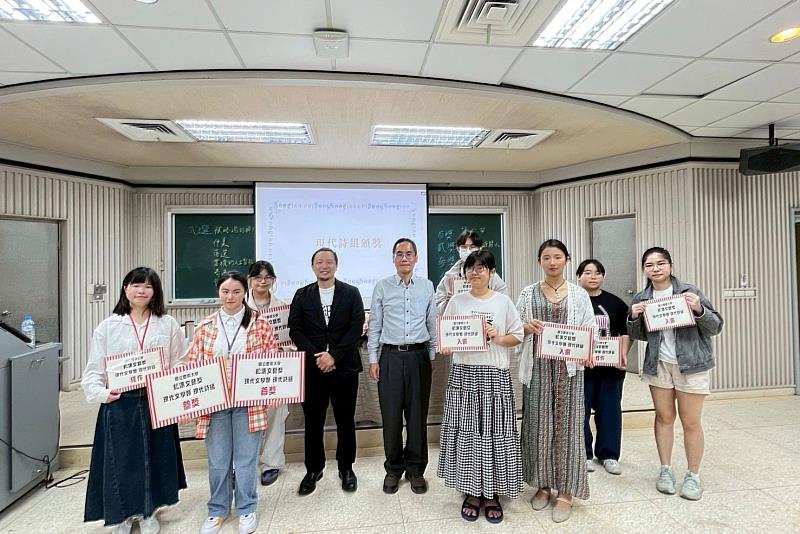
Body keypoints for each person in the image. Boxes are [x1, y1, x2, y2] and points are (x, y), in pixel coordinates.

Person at [82, 267, 187, 534]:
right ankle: (124, 514)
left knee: (156, 457)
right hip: (121, 401)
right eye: (136, 285)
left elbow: (179, 361)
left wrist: (173, 392)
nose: (142, 291)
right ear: (125, 289)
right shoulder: (108, 326)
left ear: (155, 292)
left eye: (148, 287)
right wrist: (103, 394)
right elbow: (94, 368)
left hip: (156, 399)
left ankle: (149, 511)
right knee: (122, 459)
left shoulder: (168, 323)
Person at [627, 247, 723, 501]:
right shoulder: (641, 297)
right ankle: (665, 470)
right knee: (663, 417)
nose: (655, 269)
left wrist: (699, 310)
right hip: (659, 364)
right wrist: (634, 317)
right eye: (649, 265)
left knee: (691, 421)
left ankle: (693, 476)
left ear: (670, 265)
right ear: (644, 269)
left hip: (691, 364)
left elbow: (715, 326)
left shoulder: (690, 292)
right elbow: (639, 336)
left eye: (660, 263)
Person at [188, 271, 277, 534]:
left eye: (236, 291)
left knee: (247, 459)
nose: (231, 297)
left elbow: (271, 357)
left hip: (247, 402)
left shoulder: (259, 324)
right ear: (218, 293)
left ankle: (247, 508)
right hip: (215, 403)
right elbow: (194, 365)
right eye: (225, 291)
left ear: (245, 292)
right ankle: (217, 510)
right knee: (218, 459)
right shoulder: (205, 327)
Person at [438, 250, 524, 524]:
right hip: (464, 376)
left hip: (494, 375)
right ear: (464, 273)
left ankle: (493, 493)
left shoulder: (503, 302)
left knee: (494, 433)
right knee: (469, 434)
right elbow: (446, 337)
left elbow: (518, 336)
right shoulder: (456, 302)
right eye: (470, 268)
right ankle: (472, 491)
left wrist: (497, 337)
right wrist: (446, 343)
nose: (475, 273)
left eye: (481, 268)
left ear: (492, 272)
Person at [517, 239, 596, 523]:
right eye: (547, 257)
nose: (552, 262)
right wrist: (526, 328)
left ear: (567, 260)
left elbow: (590, 330)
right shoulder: (527, 294)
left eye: (558, 257)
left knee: (568, 427)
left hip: (569, 371)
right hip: (537, 369)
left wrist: (589, 351)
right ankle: (542, 485)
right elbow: (516, 332)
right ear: (539, 261)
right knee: (538, 427)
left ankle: (565, 491)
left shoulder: (579, 295)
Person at [289, 248, 365, 495]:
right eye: (319, 262)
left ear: (336, 265)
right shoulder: (302, 295)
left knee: (345, 421)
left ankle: (346, 468)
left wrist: (334, 355)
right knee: (313, 422)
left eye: (329, 262)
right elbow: (296, 330)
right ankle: (313, 469)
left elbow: (356, 328)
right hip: (313, 370)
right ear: (312, 267)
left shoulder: (351, 293)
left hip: (344, 367)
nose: (324, 266)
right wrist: (318, 356)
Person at [367, 238, 437, 495]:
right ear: (393, 258)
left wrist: (431, 355)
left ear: (416, 258)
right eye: (399, 254)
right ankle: (393, 469)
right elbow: (375, 325)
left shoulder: (427, 286)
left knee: (418, 416)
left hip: (419, 356)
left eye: (409, 253)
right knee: (392, 418)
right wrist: (373, 359)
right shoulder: (382, 287)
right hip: (391, 357)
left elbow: (432, 323)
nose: (404, 258)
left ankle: (416, 470)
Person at [576, 259, 631, 476]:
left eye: (597, 273)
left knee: (610, 412)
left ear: (603, 277)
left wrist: (623, 353)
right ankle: (584, 453)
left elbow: (625, 333)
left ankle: (609, 455)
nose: (593, 276)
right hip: (581, 369)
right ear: (579, 276)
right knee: (580, 412)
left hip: (610, 368)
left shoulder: (616, 303)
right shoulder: (574, 303)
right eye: (588, 272)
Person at [246, 260, 290, 487]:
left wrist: (284, 348)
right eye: (257, 277)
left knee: (275, 417)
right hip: (246, 373)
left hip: (275, 371)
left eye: (267, 277)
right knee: (246, 420)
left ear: (273, 280)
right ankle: (246, 464)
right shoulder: (238, 306)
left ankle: (272, 463)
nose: (263, 282)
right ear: (250, 280)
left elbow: (292, 340)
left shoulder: (283, 307)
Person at [435, 229, 507, 314]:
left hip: (486, 323)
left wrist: (488, 296)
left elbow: (504, 305)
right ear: (458, 249)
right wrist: (447, 303)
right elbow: (436, 310)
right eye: (464, 247)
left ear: (480, 248)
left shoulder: (491, 276)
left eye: (472, 247)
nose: (468, 250)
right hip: (461, 324)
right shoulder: (449, 278)